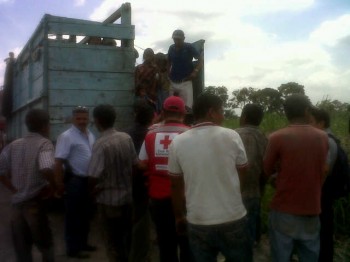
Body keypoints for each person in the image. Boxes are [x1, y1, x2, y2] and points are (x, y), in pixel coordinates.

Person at [168, 93, 252, 262]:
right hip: (232, 217)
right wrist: (234, 194)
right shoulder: (232, 136)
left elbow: (175, 185)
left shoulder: (177, 142)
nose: (223, 115)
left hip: (198, 220)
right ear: (211, 112)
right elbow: (243, 172)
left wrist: (178, 216)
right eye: (221, 111)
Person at [264, 94, 329, 262]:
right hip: (312, 209)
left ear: (285, 112)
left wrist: (274, 179)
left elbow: (265, 170)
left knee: (281, 255)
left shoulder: (277, 137)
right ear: (307, 111)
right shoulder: (322, 137)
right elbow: (323, 171)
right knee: (309, 255)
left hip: (284, 208)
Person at [139, 96, 192, 262]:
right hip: (185, 196)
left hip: (158, 196)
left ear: (162, 112)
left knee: (165, 242)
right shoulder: (191, 134)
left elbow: (141, 164)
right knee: (187, 242)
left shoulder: (151, 134)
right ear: (183, 113)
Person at [0, 109, 56, 262]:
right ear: (45, 126)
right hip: (35, 203)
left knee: (22, 247)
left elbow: (1, 170)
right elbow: (46, 167)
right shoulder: (45, 143)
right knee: (45, 244)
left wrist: (12, 188)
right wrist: (55, 186)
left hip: (17, 205)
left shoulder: (14, 144)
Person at [88, 104, 139, 262]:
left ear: (97, 121)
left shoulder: (100, 144)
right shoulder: (126, 138)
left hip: (108, 201)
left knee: (112, 242)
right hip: (127, 199)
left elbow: (93, 175)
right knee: (126, 237)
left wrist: (92, 191)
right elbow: (135, 164)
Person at [54, 106, 96, 259]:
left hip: (88, 181)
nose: (82, 121)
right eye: (78, 118)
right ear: (73, 119)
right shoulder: (67, 136)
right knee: (73, 216)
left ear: (89, 118)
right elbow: (58, 162)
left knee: (86, 214)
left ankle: (83, 243)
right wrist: (59, 184)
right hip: (74, 181)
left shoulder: (90, 134)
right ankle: (73, 249)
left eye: (85, 118)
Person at [126, 101, 155, 262]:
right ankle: (139, 255)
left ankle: (132, 247)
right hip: (144, 182)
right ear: (152, 118)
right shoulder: (150, 135)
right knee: (142, 222)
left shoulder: (127, 133)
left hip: (130, 181)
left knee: (135, 218)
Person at [235, 104, 268, 247]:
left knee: (236, 234)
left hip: (234, 193)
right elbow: (267, 168)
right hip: (255, 191)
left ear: (244, 117)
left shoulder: (234, 135)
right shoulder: (264, 138)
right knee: (251, 225)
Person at [309, 107, 338, 262]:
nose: (309, 126)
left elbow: (324, 172)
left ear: (322, 123)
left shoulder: (326, 140)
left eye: (312, 122)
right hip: (324, 194)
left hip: (323, 194)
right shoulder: (329, 138)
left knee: (323, 230)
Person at [167, 29, 203, 109]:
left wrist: (195, 71)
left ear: (183, 38)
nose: (176, 41)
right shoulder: (171, 48)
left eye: (178, 39)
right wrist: (167, 73)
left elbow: (200, 60)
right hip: (173, 81)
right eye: (175, 39)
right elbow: (168, 61)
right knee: (171, 106)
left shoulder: (189, 47)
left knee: (186, 107)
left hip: (185, 81)